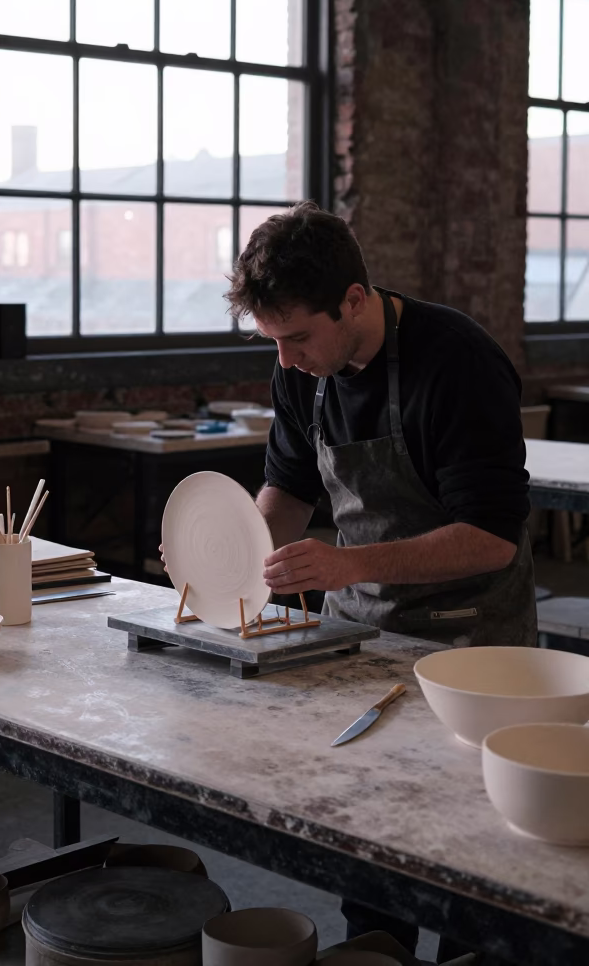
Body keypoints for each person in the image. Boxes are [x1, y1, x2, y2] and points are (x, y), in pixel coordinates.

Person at [225, 201, 535, 962]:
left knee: (471, 856)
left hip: (471, 643)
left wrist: (349, 562)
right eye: (273, 340)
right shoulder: (301, 373)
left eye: (298, 336)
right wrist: (227, 556)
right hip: (361, 632)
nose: (287, 360)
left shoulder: (456, 362)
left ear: (355, 301)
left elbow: (492, 539)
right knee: (368, 832)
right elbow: (290, 490)